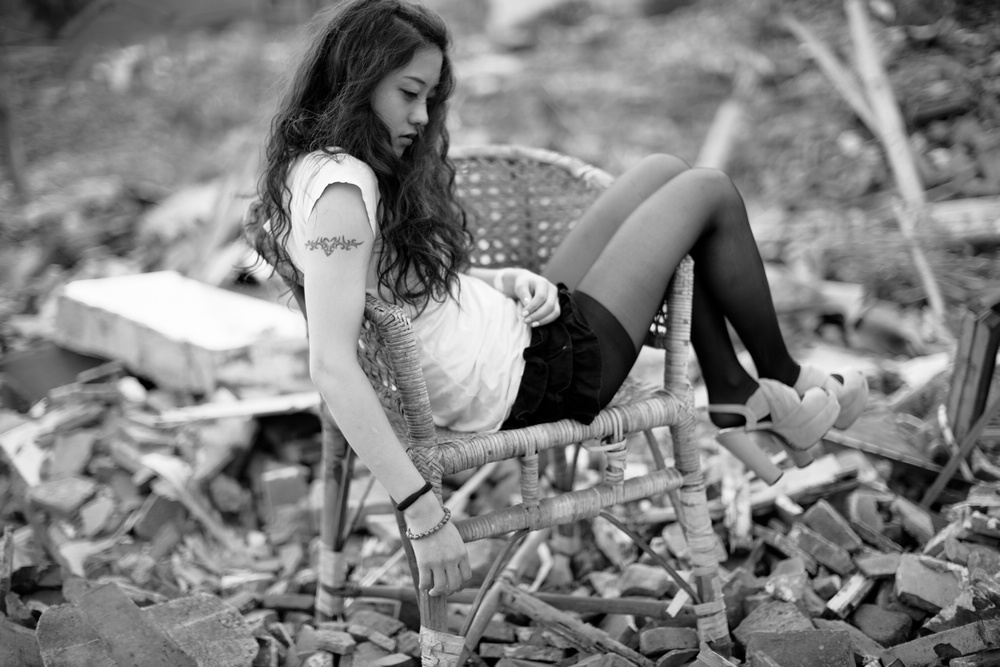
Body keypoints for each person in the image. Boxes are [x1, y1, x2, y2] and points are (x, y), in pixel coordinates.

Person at [245, 0, 868, 599]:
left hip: (520, 327)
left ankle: (735, 390)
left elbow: (406, 287)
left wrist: (507, 279)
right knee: (707, 191)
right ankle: (775, 379)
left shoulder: (326, 163)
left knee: (662, 171)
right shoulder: (342, 193)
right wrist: (422, 512)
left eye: (429, 98)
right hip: (534, 379)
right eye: (409, 94)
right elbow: (331, 365)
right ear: (356, 79)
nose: (420, 117)